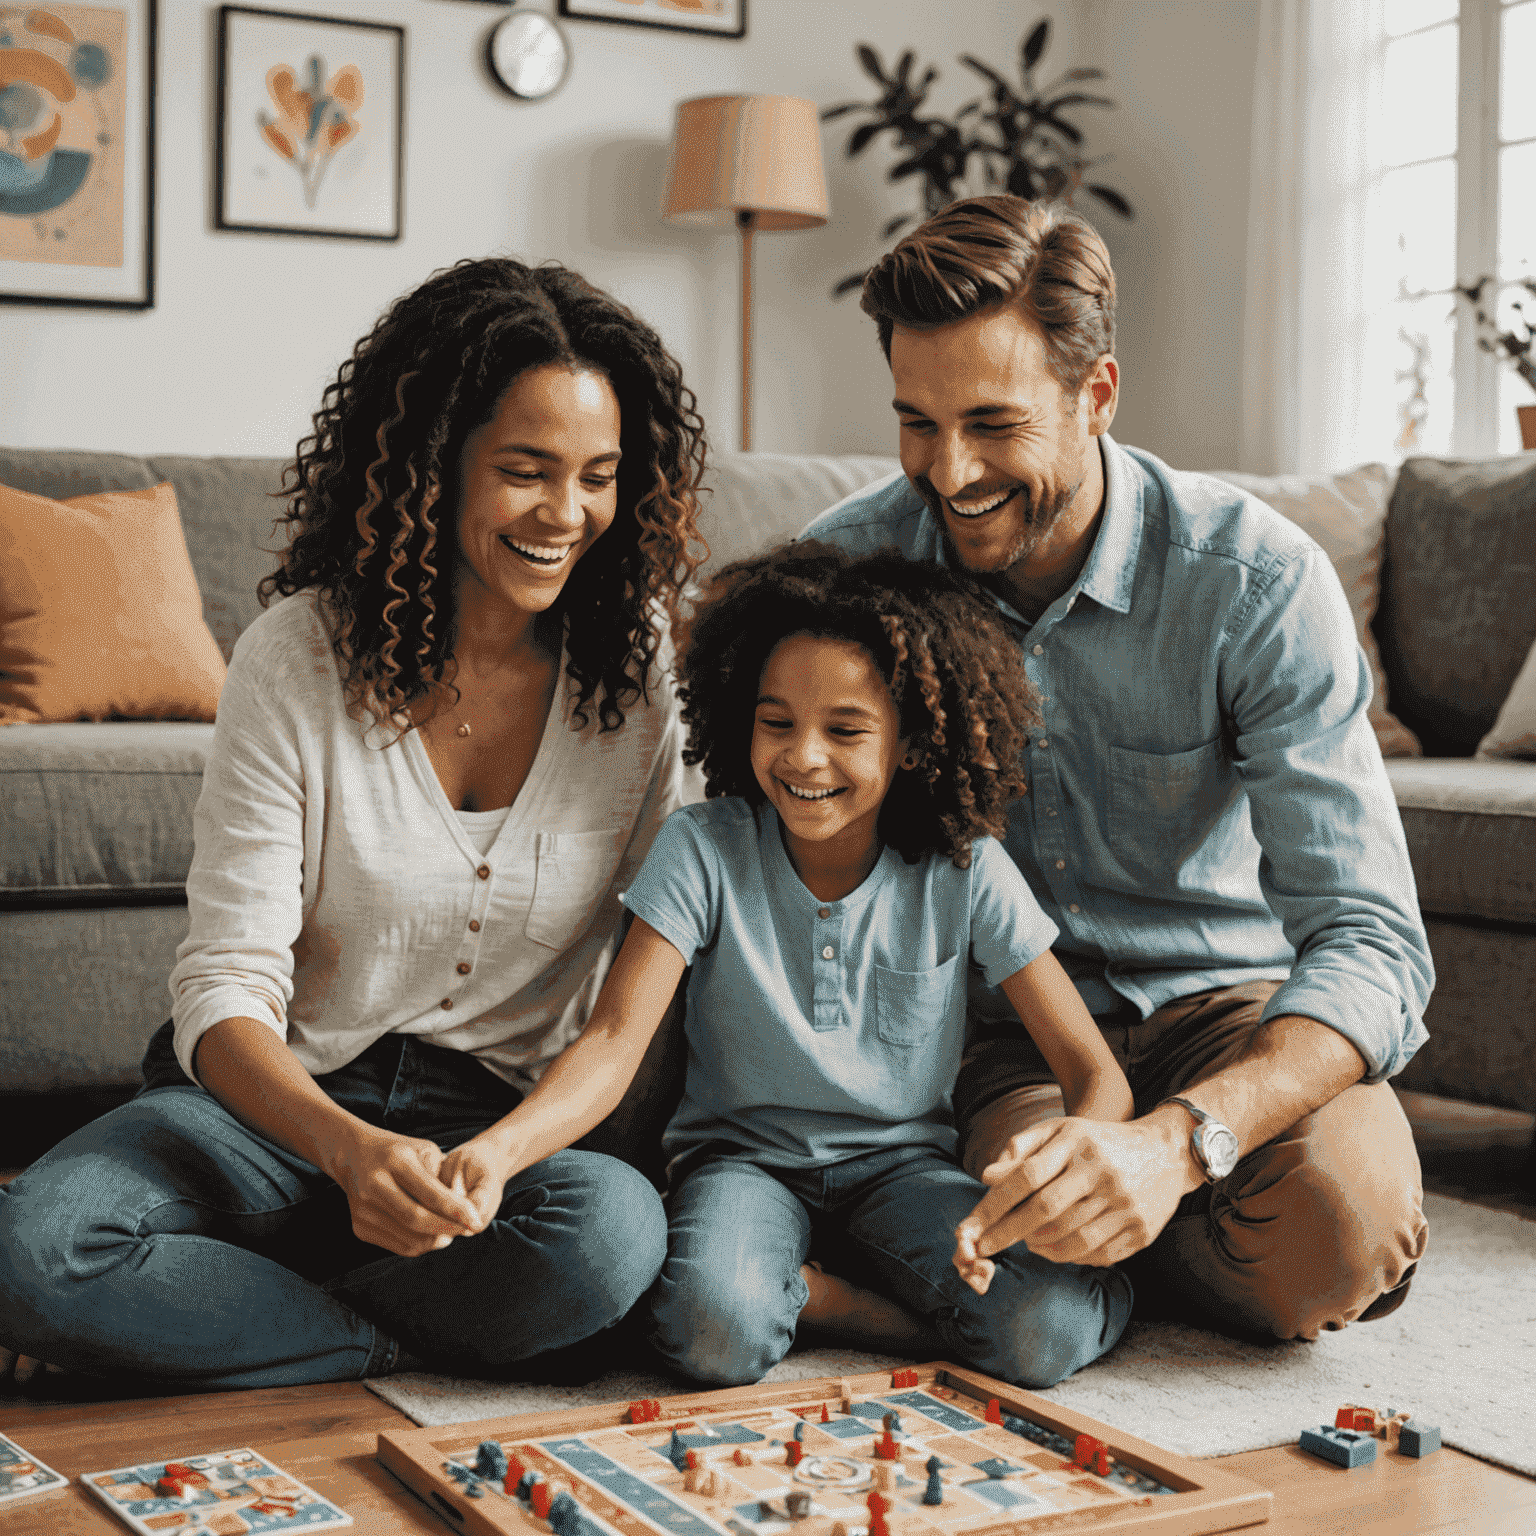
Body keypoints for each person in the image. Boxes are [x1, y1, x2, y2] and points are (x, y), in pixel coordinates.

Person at [0, 257, 707, 1391]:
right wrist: (349, 1151)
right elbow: (223, 989)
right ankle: (372, 1335)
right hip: (279, 1104)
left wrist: (493, 1160)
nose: (565, 514)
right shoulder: (298, 654)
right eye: (525, 471)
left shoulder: (639, 682)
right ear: (437, 467)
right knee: (31, 1251)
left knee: (612, 1244)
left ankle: (230, 1313)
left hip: (494, 1140)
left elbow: (621, 1027)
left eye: (597, 478)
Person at [803, 195, 1433, 1343]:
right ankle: (1092, 1258)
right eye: (915, 423)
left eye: (993, 425)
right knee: (1036, 1224)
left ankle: (1107, 1252)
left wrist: (1177, 1144)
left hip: (1219, 1013)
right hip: (999, 1048)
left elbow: (1375, 942)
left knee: (1346, 1230)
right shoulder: (849, 571)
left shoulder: (1254, 582)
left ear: (1095, 395)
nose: (947, 475)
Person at [428, 541, 1138, 1391]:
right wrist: (498, 1152)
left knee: (1045, 1331)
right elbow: (613, 1043)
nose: (804, 757)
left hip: (906, 1172)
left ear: (912, 744)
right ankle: (846, 1306)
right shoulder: (701, 848)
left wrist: (1053, 1169)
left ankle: (831, 1302)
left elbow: (1095, 1075)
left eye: (846, 731)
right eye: (777, 723)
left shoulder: (965, 869)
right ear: (741, 719)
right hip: (742, 1166)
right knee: (710, 1333)